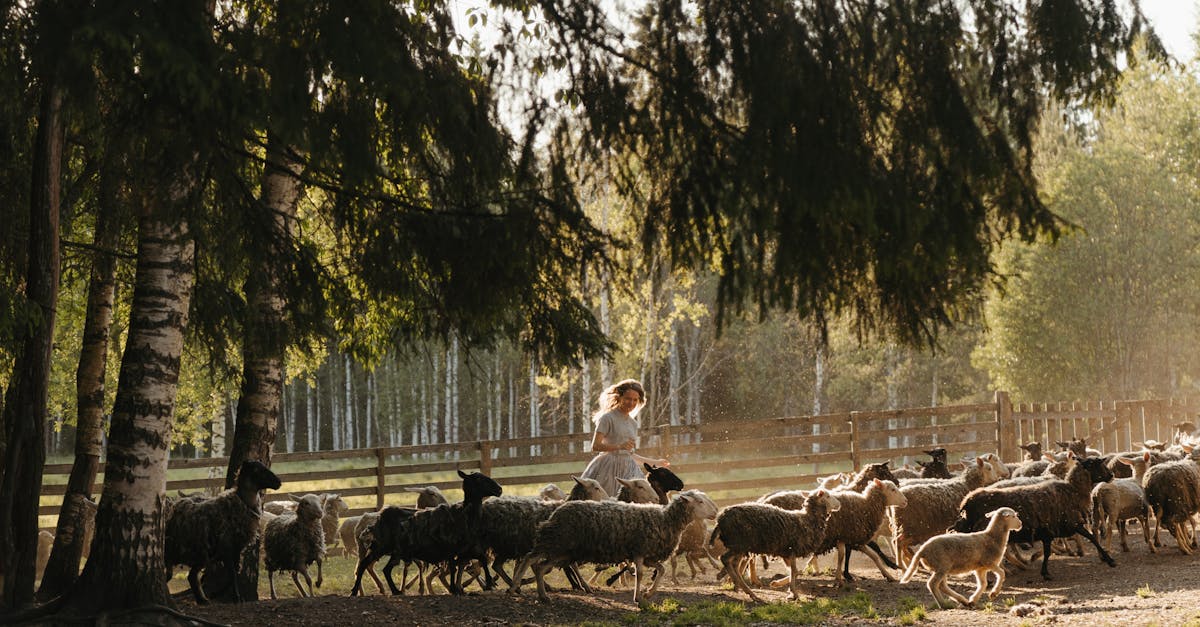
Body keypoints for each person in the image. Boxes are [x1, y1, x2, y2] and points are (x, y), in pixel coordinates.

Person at [579, 379, 669, 498]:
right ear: (619, 397)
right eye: (627, 398)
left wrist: (655, 462)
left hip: (629, 469)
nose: (631, 402)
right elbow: (595, 446)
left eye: (635, 400)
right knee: (608, 501)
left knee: (636, 501)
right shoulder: (607, 418)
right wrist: (619, 446)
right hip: (608, 468)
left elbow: (629, 454)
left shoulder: (633, 423)